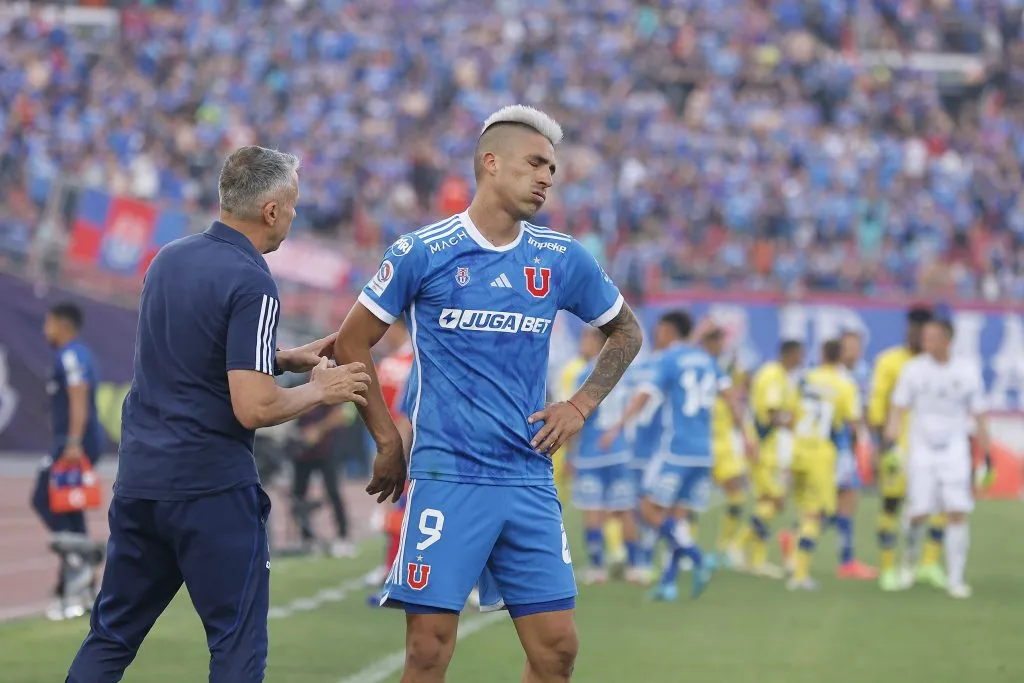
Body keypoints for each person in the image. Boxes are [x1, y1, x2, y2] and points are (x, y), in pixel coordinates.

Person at [335, 105, 642, 683]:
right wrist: (385, 440)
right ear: (490, 163)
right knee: (428, 651)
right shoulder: (422, 251)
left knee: (557, 652)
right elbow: (353, 342)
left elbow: (626, 330)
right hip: (448, 475)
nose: (547, 177)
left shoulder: (560, 257)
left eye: (552, 168)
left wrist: (580, 405)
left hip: (527, 477)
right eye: (534, 163)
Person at [65, 146, 371, 683]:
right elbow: (253, 407)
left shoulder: (167, 258)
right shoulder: (253, 280)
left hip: (140, 483)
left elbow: (191, 354)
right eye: (294, 206)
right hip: (209, 489)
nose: (296, 217)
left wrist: (281, 358)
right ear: (271, 210)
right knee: (235, 646)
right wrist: (321, 390)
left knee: (111, 637)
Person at [624, 311, 751, 601]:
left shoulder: (670, 358)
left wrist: (619, 425)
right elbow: (732, 397)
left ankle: (696, 556)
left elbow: (645, 395)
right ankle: (668, 583)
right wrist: (745, 434)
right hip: (703, 453)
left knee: (647, 508)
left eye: (661, 330)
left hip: (675, 448)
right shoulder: (708, 362)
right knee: (678, 517)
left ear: (669, 331)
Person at [885, 318, 988, 599]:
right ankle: (909, 562)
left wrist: (985, 457)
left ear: (947, 341)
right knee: (919, 512)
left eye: (931, 337)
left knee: (957, 510)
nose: (924, 342)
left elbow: (980, 415)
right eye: (924, 337)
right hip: (921, 448)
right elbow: (898, 408)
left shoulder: (967, 371)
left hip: (954, 448)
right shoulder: (914, 370)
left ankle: (956, 577)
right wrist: (892, 445)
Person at [35, 302, 106, 621]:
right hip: (72, 441)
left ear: (61, 323)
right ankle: (80, 580)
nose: (45, 330)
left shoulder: (71, 354)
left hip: (75, 444)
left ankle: (80, 560)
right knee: (67, 507)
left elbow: (79, 391)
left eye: (47, 323)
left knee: (42, 498)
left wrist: (74, 441)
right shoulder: (77, 354)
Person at [867, 306, 944, 592]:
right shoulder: (889, 361)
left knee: (939, 506)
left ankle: (928, 564)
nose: (916, 335)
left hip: (933, 449)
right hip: (898, 449)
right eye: (912, 330)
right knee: (891, 505)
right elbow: (877, 408)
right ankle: (887, 568)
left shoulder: (939, 365)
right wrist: (880, 448)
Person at [788, 339, 861, 591]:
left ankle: (794, 548)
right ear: (840, 356)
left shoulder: (806, 378)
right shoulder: (844, 384)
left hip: (797, 448)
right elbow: (852, 422)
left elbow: (791, 411)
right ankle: (799, 574)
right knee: (819, 513)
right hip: (821, 453)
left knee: (805, 508)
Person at [569, 327, 639, 585]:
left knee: (593, 510)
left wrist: (570, 455)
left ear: (598, 342)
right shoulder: (621, 373)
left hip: (591, 453)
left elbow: (577, 416)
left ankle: (597, 567)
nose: (583, 343)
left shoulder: (585, 373)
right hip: (619, 451)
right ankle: (635, 566)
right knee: (624, 510)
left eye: (586, 338)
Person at [732, 340, 803, 578]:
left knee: (767, 502)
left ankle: (756, 558)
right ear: (790, 354)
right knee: (773, 501)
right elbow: (772, 415)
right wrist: (795, 423)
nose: (801, 360)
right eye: (799, 355)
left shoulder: (779, 375)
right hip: (764, 448)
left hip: (769, 448)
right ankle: (739, 546)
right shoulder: (773, 375)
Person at [832, 330, 877, 580]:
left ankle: (795, 538)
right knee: (845, 500)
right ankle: (847, 561)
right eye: (849, 346)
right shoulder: (833, 376)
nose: (854, 351)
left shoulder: (863, 373)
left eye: (857, 346)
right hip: (834, 447)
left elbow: (868, 410)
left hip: (847, 447)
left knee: (840, 501)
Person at [292, 402, 357, 558]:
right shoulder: (296, 384)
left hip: (326, 450)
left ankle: (343, 537)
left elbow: (343, 414)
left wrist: (318, 429)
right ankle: (307, 539)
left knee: (333, 493)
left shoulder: (328, 382)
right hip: (302, 452)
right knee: (298, 496)